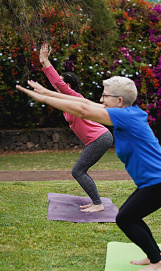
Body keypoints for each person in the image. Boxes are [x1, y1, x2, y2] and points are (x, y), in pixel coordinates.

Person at [17, 77, 161, 271]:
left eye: (105, 95)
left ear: (119, 101)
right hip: (159, 179)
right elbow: (84, 103)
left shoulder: (125, 117)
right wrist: (47, 92)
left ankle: (158, 263)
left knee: (125, 218)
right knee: (131, 215)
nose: (101, 99)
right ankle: (153, 255)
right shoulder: (126, 113)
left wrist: (44, 99)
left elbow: (82, 111)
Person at [38, 42, 113, 213]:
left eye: (62, 85)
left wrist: (46, 62)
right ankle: (96, 202)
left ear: (68, 86)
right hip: (97, 139)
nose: (57, 88)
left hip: (99, 138)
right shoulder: (67, 102)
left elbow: (57, 82)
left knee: (78, 171)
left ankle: (97, 203)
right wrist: (44, 65)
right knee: (79, 171)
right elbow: (55, 83)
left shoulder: (74, 97)